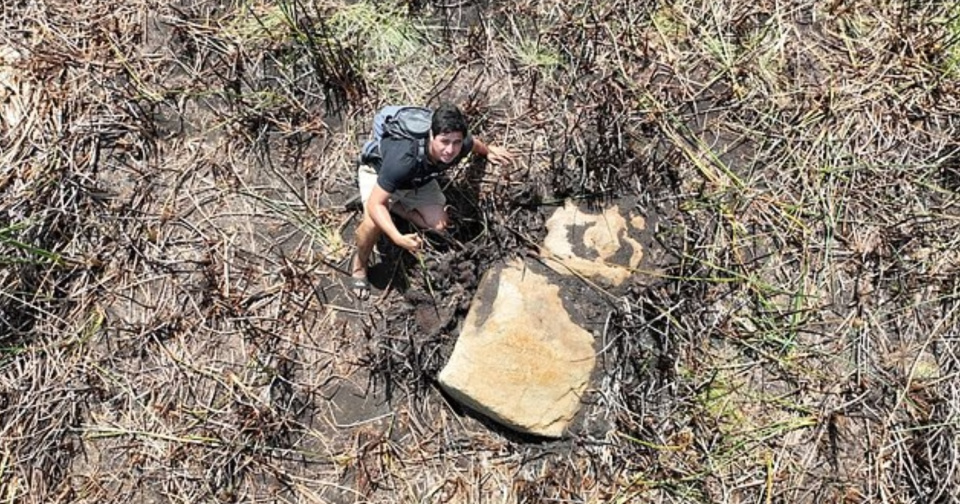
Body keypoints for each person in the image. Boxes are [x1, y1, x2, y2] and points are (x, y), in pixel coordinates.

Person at [351, 102, 514, 298]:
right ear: (431, 135)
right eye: (444, 141)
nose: (450, 150)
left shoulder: (462, 145)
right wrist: (397, 237)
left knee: (438, 225)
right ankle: (359, 265)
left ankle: (395, 207)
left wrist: (488, 151)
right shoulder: (404, 159)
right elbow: (375, 203)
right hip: (379, 174)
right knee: (372, 224)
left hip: (416, 182)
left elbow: (472, 144)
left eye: (456, 142)